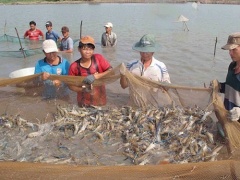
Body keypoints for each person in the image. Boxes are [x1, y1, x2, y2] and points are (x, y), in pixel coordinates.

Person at [68, 35, 112, 107]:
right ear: (79, 49)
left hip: (100, 101)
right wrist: (82, 89)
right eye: (85, 49)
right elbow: (70, 86)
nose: (88, 52)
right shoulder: (74, 66)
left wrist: (97, 76)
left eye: (90, 49)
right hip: (83, 103)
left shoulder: (98, 58)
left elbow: (111, 71)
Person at [219, 32, 240, 122]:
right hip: (228, 118)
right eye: (229, 50)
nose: (230, 53)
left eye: (234, 49)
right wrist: (219, 86)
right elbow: (231, 88)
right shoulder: (232, 66)